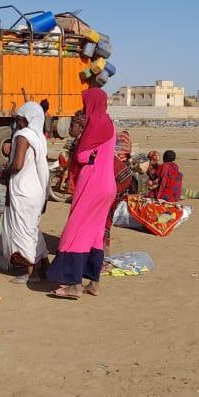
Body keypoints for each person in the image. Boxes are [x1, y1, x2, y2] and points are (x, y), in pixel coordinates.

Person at [47, 88, 117, 298]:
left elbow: (82, 157)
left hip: (92, 184)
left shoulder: (94, 125)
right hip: (108, 184)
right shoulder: (110, 124)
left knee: (76, 232)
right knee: (95, 234)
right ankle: (93, 283)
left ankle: (74, 285)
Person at [2, 102, 51, 284]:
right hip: (37, 190)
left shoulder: (22, 136)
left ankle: (31, 272)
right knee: (32, 230)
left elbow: (17, 164)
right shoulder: (40, 137)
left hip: (23, 191)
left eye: (19, 119)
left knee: (24, 231)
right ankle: (45, 264)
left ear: (27, 119)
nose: (17, 122)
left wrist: (3, 172)